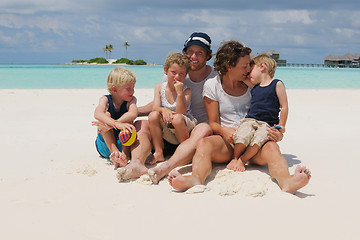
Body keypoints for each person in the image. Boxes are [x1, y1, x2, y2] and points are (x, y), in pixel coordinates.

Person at [168, 40, 311, 193]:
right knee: (204, 143)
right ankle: (195, 178)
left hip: (255, 144)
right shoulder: (212, 85)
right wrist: (224, 131)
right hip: (228, 144)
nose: (249, 68)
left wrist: (278, 133)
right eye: (244, 66)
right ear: (229, 66)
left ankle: (286, 181)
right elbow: (213, 123)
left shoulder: (254, 84)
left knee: (272, 147)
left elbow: (273, 112)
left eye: (249, 64)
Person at [116, 32, 217, 182]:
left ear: (208, 55)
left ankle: (166, 167)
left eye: (199, 53)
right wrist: (133, 112)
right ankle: (137, 164)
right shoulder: (173, 74)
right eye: (190, 52)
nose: (193, 57)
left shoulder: (215, 78)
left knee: (204, 128)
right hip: (166, 130)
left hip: (191, 134)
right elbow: (159, 104)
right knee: (141, 124)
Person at [228, 54, 288, 172]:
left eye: (250, 71)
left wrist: (282, 125)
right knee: (242, 135)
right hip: (250, 120)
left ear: (262, 67)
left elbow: (284, 106)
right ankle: (235, 157)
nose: (248, 74)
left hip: (267, 124)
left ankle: (243, 160)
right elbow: (241, 76)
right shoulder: (255, 86)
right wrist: (242, 54)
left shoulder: (277, 84)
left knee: (257, 141)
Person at [148, 53, 197, 164]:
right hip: (168, 123)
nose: (177, 77)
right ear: (166, 70)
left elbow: (181, 112)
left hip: (184, 123)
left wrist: (179, 93)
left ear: (186, 75)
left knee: (177, 118)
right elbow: (155, 107)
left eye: (181, 74)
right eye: (173, 73)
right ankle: (159, 151)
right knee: (153, 115)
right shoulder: (159, 87)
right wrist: (163, 110)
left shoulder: (186, 91)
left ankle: (186, 153)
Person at [92, 67, 138, 169]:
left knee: (128, 120)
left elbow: (133, 113)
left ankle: (123, 156)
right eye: (128, 88)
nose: (132, 91)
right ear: (114, 89)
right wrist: (115, 124)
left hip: (124, 144)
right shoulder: (105, 99)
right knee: (105, 116)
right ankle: (115, 153)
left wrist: (113, 124)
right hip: (105, 146)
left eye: (133, 87)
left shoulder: (131, 100)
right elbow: (98, 113)